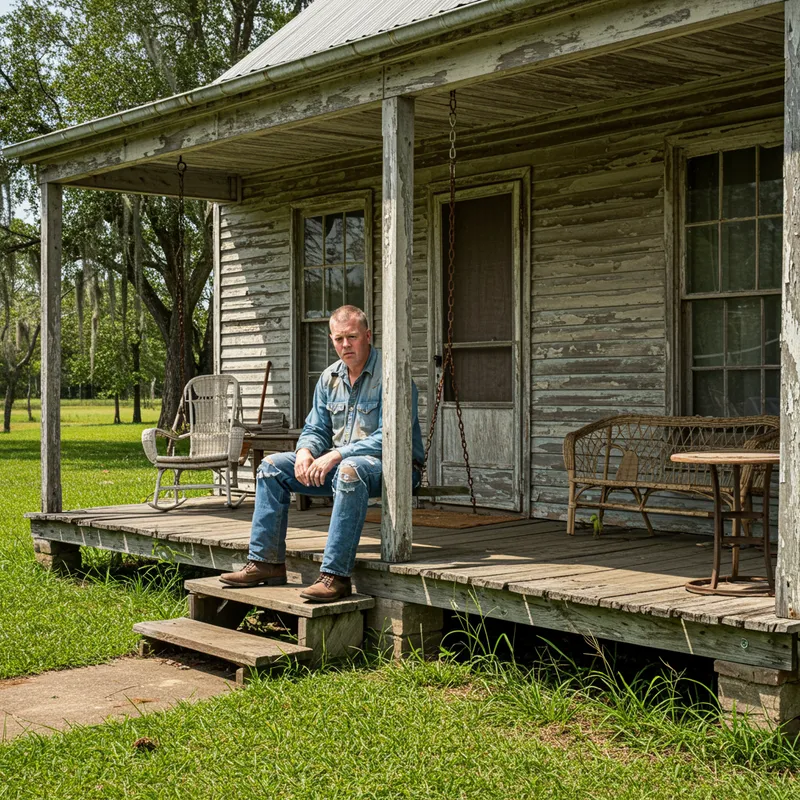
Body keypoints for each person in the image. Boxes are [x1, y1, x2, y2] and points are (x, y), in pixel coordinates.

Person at [220, 305, 424, 602]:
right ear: (331, 340)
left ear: (368, 336)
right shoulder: (329, 378)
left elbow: (392, 437)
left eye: (352, 337)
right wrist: (305, 451)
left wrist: (336, 455)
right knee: (271, 467)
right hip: (343, 466)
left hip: (395, 467)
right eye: (339, 339)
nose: (345, 345)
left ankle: (335, 576)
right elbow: (316, 428)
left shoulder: (393, 376)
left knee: (349, 470)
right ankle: (266, 562)